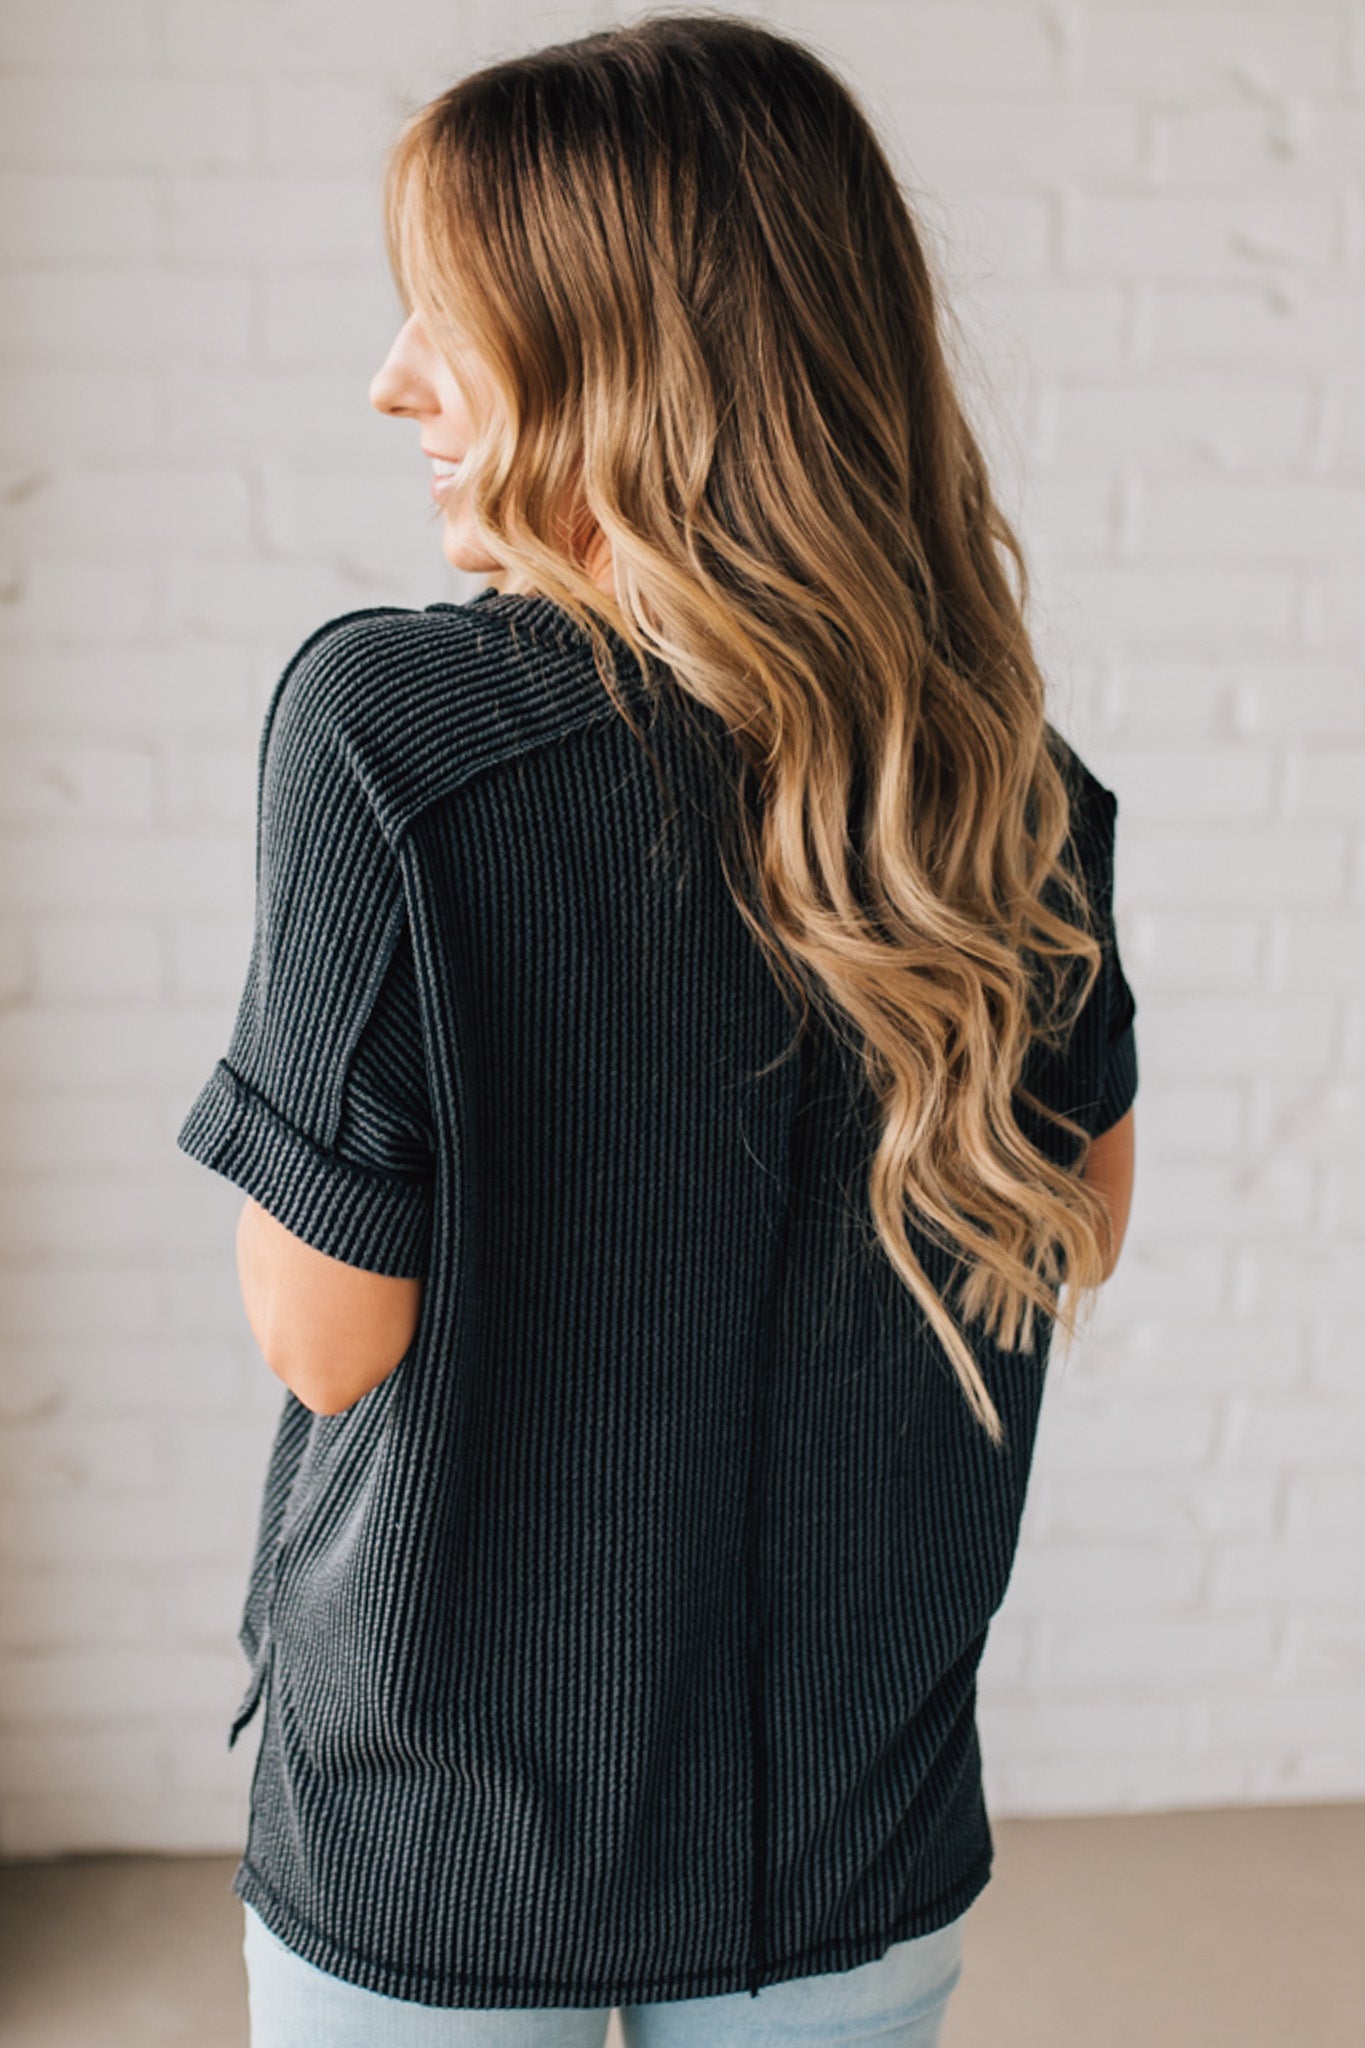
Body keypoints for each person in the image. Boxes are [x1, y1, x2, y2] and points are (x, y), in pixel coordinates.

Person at [175, 13, 1139, 2046]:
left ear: (638, 360)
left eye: (448, 316)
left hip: (440, 1839)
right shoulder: (1000, 787)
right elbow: (1075, 1234)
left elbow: (322, 1330)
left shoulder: (392, 733)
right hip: (844, 1826)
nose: (391, 380)